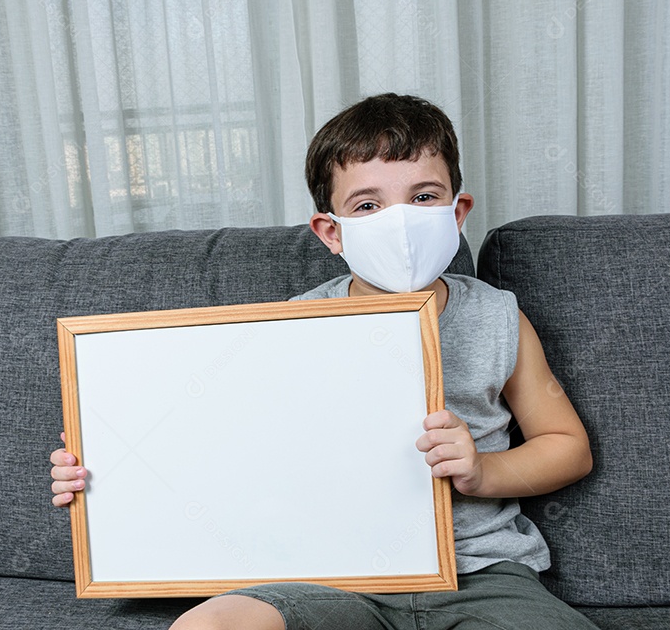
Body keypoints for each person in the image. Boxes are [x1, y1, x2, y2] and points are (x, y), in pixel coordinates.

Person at [50, 94, 598, 629]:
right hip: (327, 575)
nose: (400, 221)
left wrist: (482, 471)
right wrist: (107, 480)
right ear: (331, 231)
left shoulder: (498, 318)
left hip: (479, 573)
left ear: (458, 213)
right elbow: (222, 448)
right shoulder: (293, 327)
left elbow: (567, 447)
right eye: (368, 205)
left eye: (424, 197)